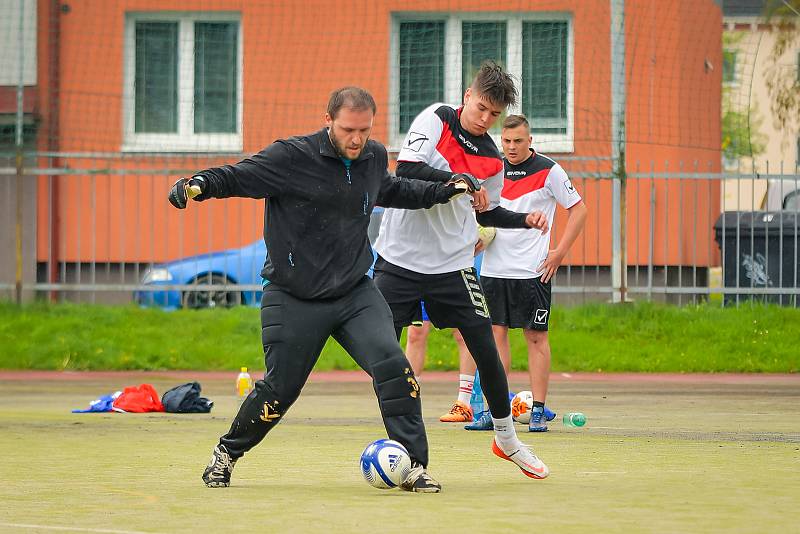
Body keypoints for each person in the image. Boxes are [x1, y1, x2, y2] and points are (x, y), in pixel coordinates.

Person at [168, 87, 479, 493]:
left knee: (393, 366)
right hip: (292, 295)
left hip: (354, 292)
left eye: (364, 130)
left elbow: (393, 190)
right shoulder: (292, 156)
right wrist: (199, 185)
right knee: (279, 390)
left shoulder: (371, 156)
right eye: (348, 129)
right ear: (327, 120)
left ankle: (413, 465)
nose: (356, 139)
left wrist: (446, 188)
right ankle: (226, 454)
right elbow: (239, 176)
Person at [373, 61, 550, 479]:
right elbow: (409, 170)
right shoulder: (437, 118)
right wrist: (460, 178)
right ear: (467, 96)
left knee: (486, 351)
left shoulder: (491, 156)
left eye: (494, 114)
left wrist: (521, 219)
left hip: (452, 267)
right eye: (482, 107)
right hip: (398, 261)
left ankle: (507, 440)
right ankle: (400, 444)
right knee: (381, 350)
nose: (485, 118)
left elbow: (483, 209)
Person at [471, 114, 587, 432]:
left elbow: (579, 209)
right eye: (506, 141)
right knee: (494, 339)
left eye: (517, 141)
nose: (511, 147)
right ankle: (496, 412)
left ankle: (537, 409)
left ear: (530, 141)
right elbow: (479, 210)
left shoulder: (549, 170)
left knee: (535, 338)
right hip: (494, 270)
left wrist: (559, 253)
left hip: (532, 272)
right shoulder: (491, 168)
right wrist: (475, 239)